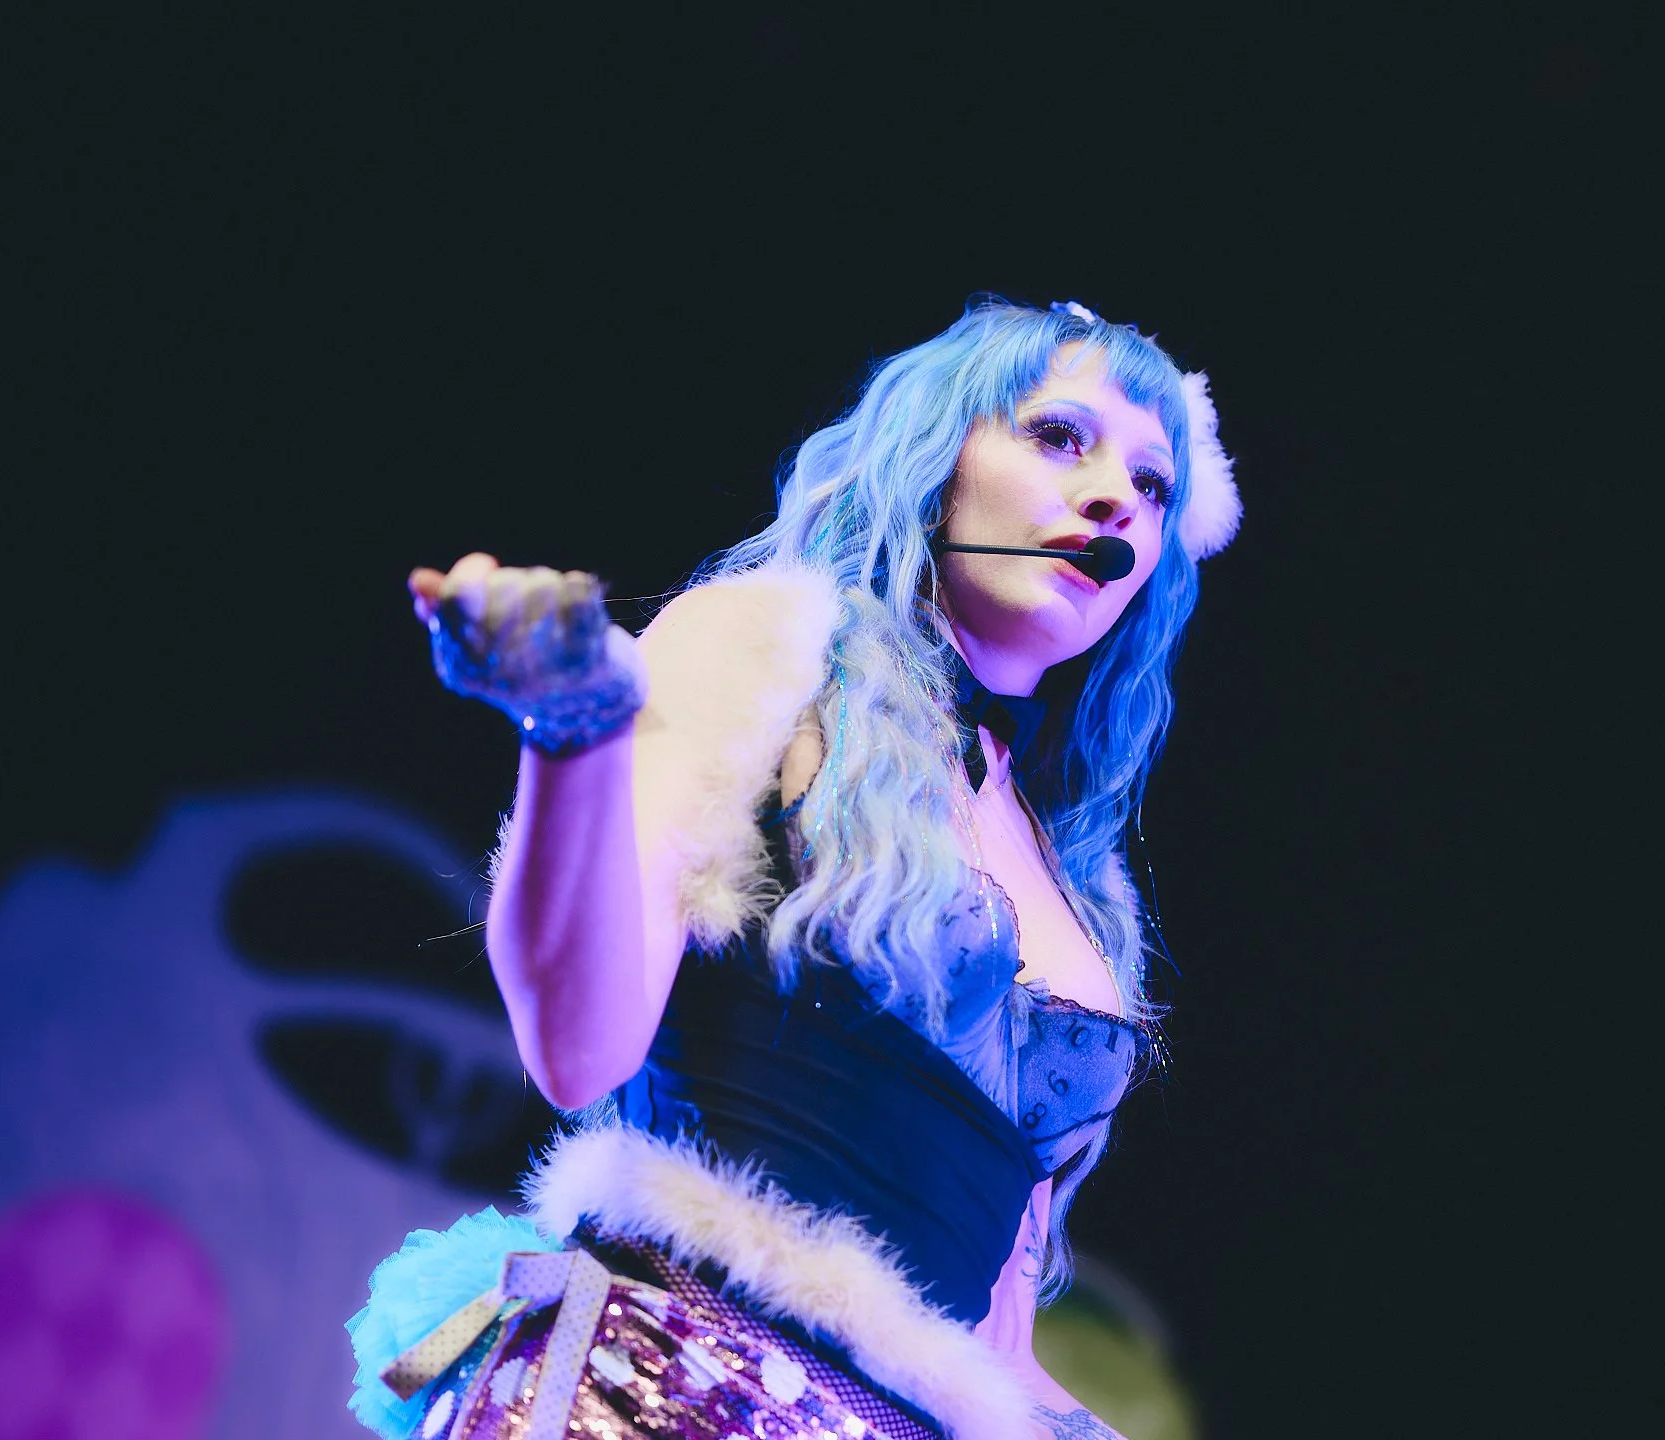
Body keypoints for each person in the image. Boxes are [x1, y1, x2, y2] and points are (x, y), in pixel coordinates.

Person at [346, 296, 1241, 1440]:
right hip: (664, 1380)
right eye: (1060, 435)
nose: (1117, 495)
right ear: (936, 451)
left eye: (1155, 485)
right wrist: (569, 733)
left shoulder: (1080, 888)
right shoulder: (769, 645)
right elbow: (577, 1049)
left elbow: (994, 1341)